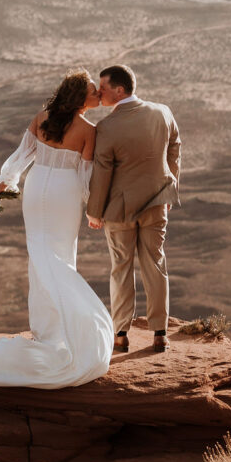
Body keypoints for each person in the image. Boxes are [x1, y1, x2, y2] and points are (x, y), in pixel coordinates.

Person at [0, 68, 114, 389]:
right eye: (93, 92)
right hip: (63, 197)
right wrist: (95, 209)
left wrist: (1, 183)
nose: (98, 95)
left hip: (36, 187)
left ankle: (46, 331)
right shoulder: (88, 130)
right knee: (61, 257)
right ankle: (74, 327)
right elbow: (85, 179)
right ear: (81, 98)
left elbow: (21, 157)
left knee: (39, 256)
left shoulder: (42, 117)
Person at [87, 64, 180, 354]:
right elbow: (175, 145)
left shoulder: (107, 127)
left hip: (119, 210)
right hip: (156, 203)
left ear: (120, 89)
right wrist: (169, 185)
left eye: (103, 88)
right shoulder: (162, 112)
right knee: (155, 264)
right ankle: (160, 333)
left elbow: (102, 172)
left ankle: (121, 334)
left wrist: (94, 211)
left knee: (121, 268)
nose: (99, 93)